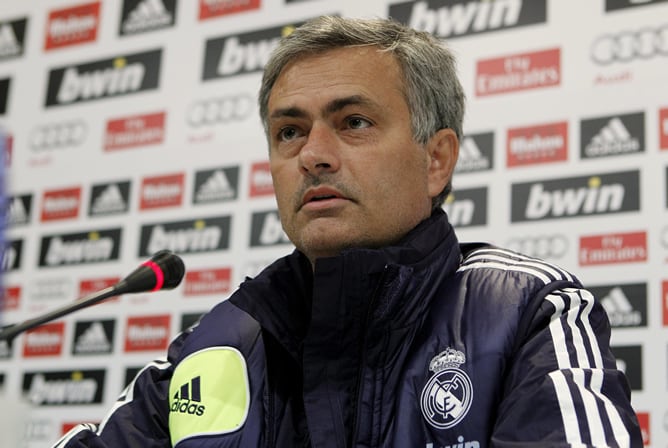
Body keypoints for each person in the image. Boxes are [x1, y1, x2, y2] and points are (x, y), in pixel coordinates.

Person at [53, 15, 642, 448]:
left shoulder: (531, 311)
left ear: (436, 160)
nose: (312, 155)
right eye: (289, 132)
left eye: (353, 122)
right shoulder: (215, 346)